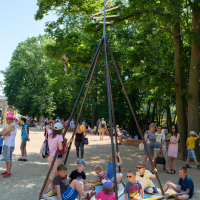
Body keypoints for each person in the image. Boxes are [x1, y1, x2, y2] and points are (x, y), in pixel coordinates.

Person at [41, 122, 63, 200]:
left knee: (52, 173)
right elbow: (60, 148)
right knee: (51, 175)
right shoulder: (59, 136)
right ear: (60, 130)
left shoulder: (50, 133)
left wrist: (52, 127)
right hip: (54, 157)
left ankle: (53, 189)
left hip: (49, 156)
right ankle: (43, 193)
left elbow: (46, 126)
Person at [0, 113, 17, 178]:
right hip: (6, 144)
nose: (6, 120)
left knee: (9, 158)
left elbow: (3, 133)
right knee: (6, 158)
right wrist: (6, 132)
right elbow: (2, 131)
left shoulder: (12, 125)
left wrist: (5, 132)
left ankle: (9, 172)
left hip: (9, 144)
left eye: (7, 119)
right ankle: (7, 170)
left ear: (11, 119)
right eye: (6, 119)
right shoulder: (8, 126)